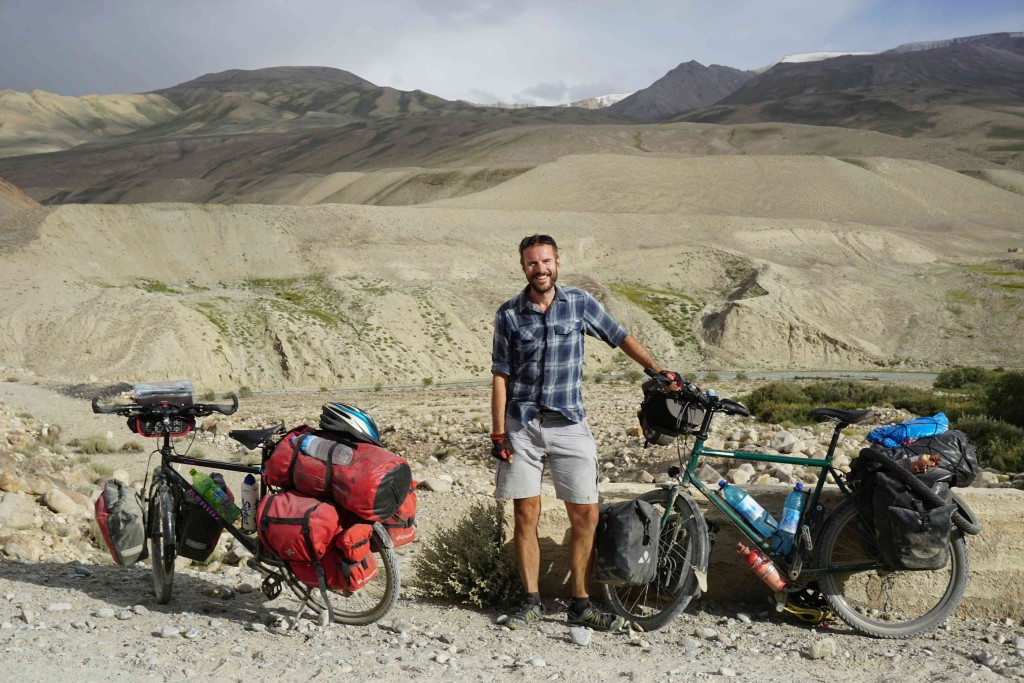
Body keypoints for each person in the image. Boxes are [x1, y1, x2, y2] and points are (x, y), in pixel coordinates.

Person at [490, 233, 679, 632]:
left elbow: (620, 335)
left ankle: (580, 602)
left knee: (586, 514)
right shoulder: (509, 313)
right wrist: (497, 433)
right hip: (522, 424)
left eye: (545, 261)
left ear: (557, 262)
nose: (539, 269)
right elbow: (500, 375)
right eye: (531, 263)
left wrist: (656, 370)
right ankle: (530, 602)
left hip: (570, 423)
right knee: (525, 514)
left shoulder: (579, 303)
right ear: (522, 266)